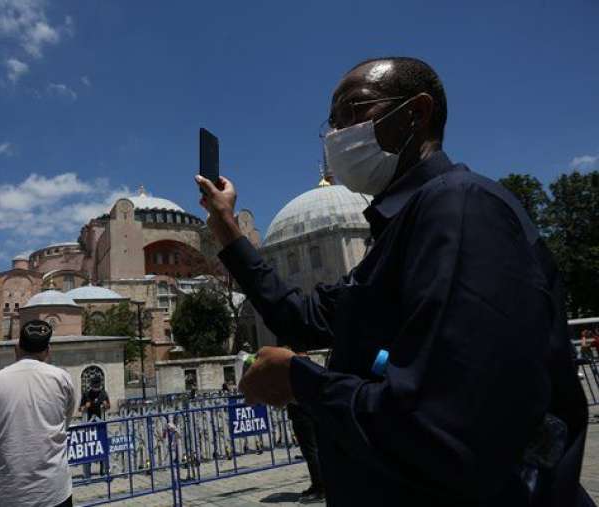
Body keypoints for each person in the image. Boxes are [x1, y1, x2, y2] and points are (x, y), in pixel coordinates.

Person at [196, 57, 593, 507]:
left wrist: (300, 381)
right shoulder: (403, 228)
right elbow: (302, 318)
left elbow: (446, 424)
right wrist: (226, 224)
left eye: (353, 110)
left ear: (416, 113)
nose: (336, 134)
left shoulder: (459, 209)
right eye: (331, 121)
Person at [0, 320, 75, 507]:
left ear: (17, 349)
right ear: (48, 351)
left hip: (2, 493)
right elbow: (65, 421)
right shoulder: (62, 379)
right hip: (53, 492)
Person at [79, 379, 109, 478]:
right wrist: (85, 407)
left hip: (100, 424)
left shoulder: (103, 393)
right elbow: (80, 409)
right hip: (89, 425)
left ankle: (104, 471)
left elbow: (109, 406)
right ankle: (87, 473)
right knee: (90, 448)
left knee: (102, 447)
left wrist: (106, 405)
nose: (96, 390)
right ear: (91, 386)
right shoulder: (86, 394)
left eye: (98, 387)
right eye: (94, 387)